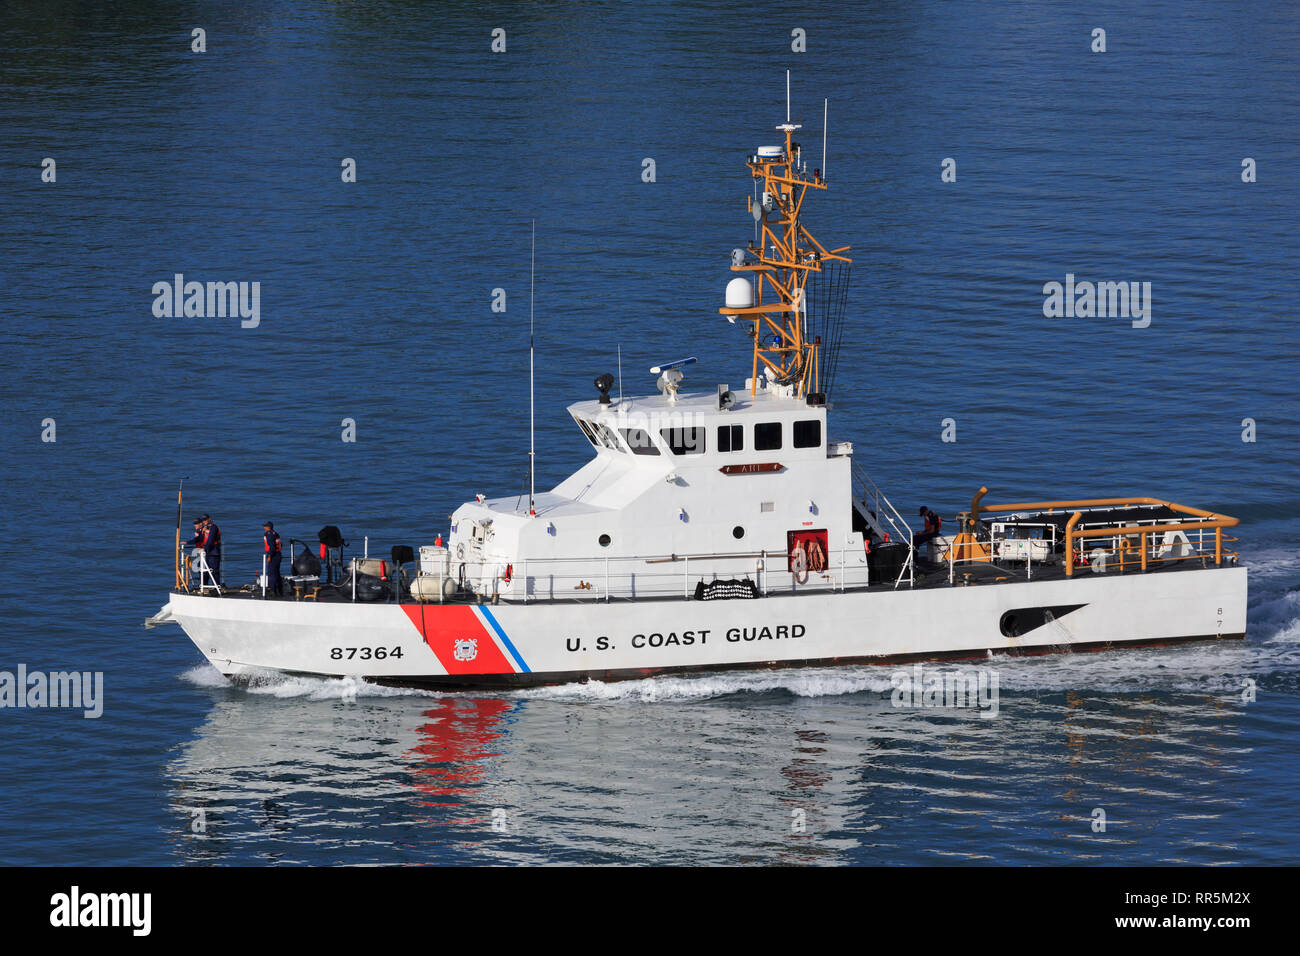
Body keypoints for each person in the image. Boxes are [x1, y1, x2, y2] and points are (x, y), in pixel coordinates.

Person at [197, 514, 222, 584]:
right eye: (203, 520)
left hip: (214, 552)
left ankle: (216, 587)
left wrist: (204, 549)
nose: (204, 521)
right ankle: (204, 585)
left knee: (214, 570)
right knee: (202, 568)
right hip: (207, 553)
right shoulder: (204, 528)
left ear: (209, 519)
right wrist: (202, 532)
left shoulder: (213, 527)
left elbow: (210, 539)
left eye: (205, 519)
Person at [262, 521, 283, 596]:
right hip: (278, 555)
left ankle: (273, 590)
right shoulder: (275, 533)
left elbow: (272, 547)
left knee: (271, 573)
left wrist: (270, 556)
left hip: (273, 556)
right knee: (277, 573)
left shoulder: (269, 534)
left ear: (268, 527)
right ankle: (280, 590)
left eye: (265, 526)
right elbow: (280, 544)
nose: (264, 527)